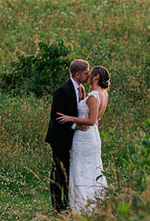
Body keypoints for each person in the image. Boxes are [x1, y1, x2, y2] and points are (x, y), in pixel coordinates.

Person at [56, 66, 110, 215]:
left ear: (96, 77)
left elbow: (92, 120)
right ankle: (96, 204)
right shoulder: (102, 94)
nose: (88, 75)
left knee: (81, 168)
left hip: (85, 137)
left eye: (90, 73)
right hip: (92, 136)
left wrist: (70, 118)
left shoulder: (94, 95)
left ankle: (83, 207)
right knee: (92, 168)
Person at [45, 59, 91, 214]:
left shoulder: (81, 88)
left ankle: (67, 203)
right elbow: (55, 115)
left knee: (67, 170)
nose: (88, 75)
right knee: (59, 171)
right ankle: (57, 206)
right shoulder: (63, 90)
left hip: (72, 137)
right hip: (59, 138)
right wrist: (75, 125)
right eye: (86, 73)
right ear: (77, 74)